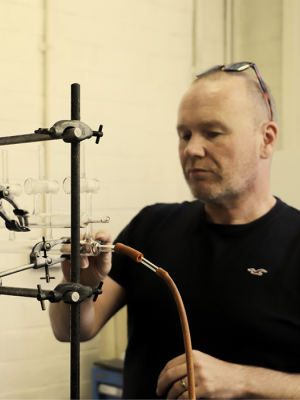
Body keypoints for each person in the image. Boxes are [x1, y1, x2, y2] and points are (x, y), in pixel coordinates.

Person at [50, 62, 300, 399]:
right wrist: (79, 284)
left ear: (266, 139)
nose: (192, 149)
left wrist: (243, 380)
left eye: (212, 132)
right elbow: (71, 331)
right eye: (185, 134)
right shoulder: (151, 225)